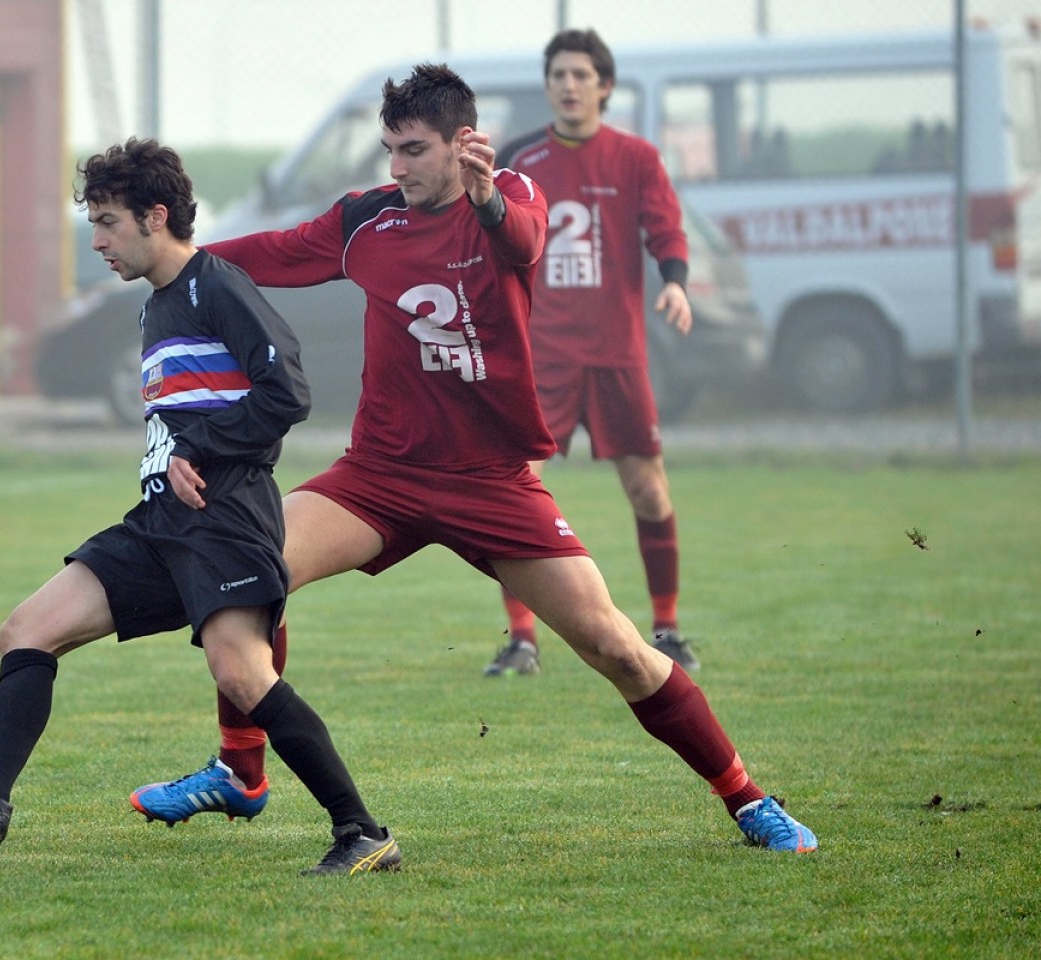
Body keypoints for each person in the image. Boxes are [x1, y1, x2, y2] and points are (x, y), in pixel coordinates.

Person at [129, 65, 818, 855]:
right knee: (249, 571)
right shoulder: (366, 221)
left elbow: (522, 240)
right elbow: (265, 254)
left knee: (615, 647)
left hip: (491, 481)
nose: (397, 168)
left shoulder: (515, 197)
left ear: (465, 145)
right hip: (380, 476)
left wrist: (488, 199)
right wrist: (171, 254)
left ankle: (747, 799)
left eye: (414, 150)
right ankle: (241, 773)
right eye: (390, 149)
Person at [0, 138, 399, 877]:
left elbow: (288, 393)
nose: (98, 240)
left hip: (226, 516)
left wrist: (201, 448)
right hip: (160, 525)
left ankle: (362, 831)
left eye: (109, 222)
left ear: (155, 216)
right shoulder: (156, 306)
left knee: (242, 674)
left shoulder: (219, 286)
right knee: (27, 630)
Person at [485, 28, 698, 678]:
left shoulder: (635, 158)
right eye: (559, 76)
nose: (569, 86)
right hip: (541, 355)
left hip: (616, 356)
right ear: (548, 87)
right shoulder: (521, 160)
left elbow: (665, 227)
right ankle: (522, 640)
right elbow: (488, 231)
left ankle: (667, 629)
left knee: (648, 492)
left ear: (604, 86)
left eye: (581, 75)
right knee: (514, 493)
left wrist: (677, 284)